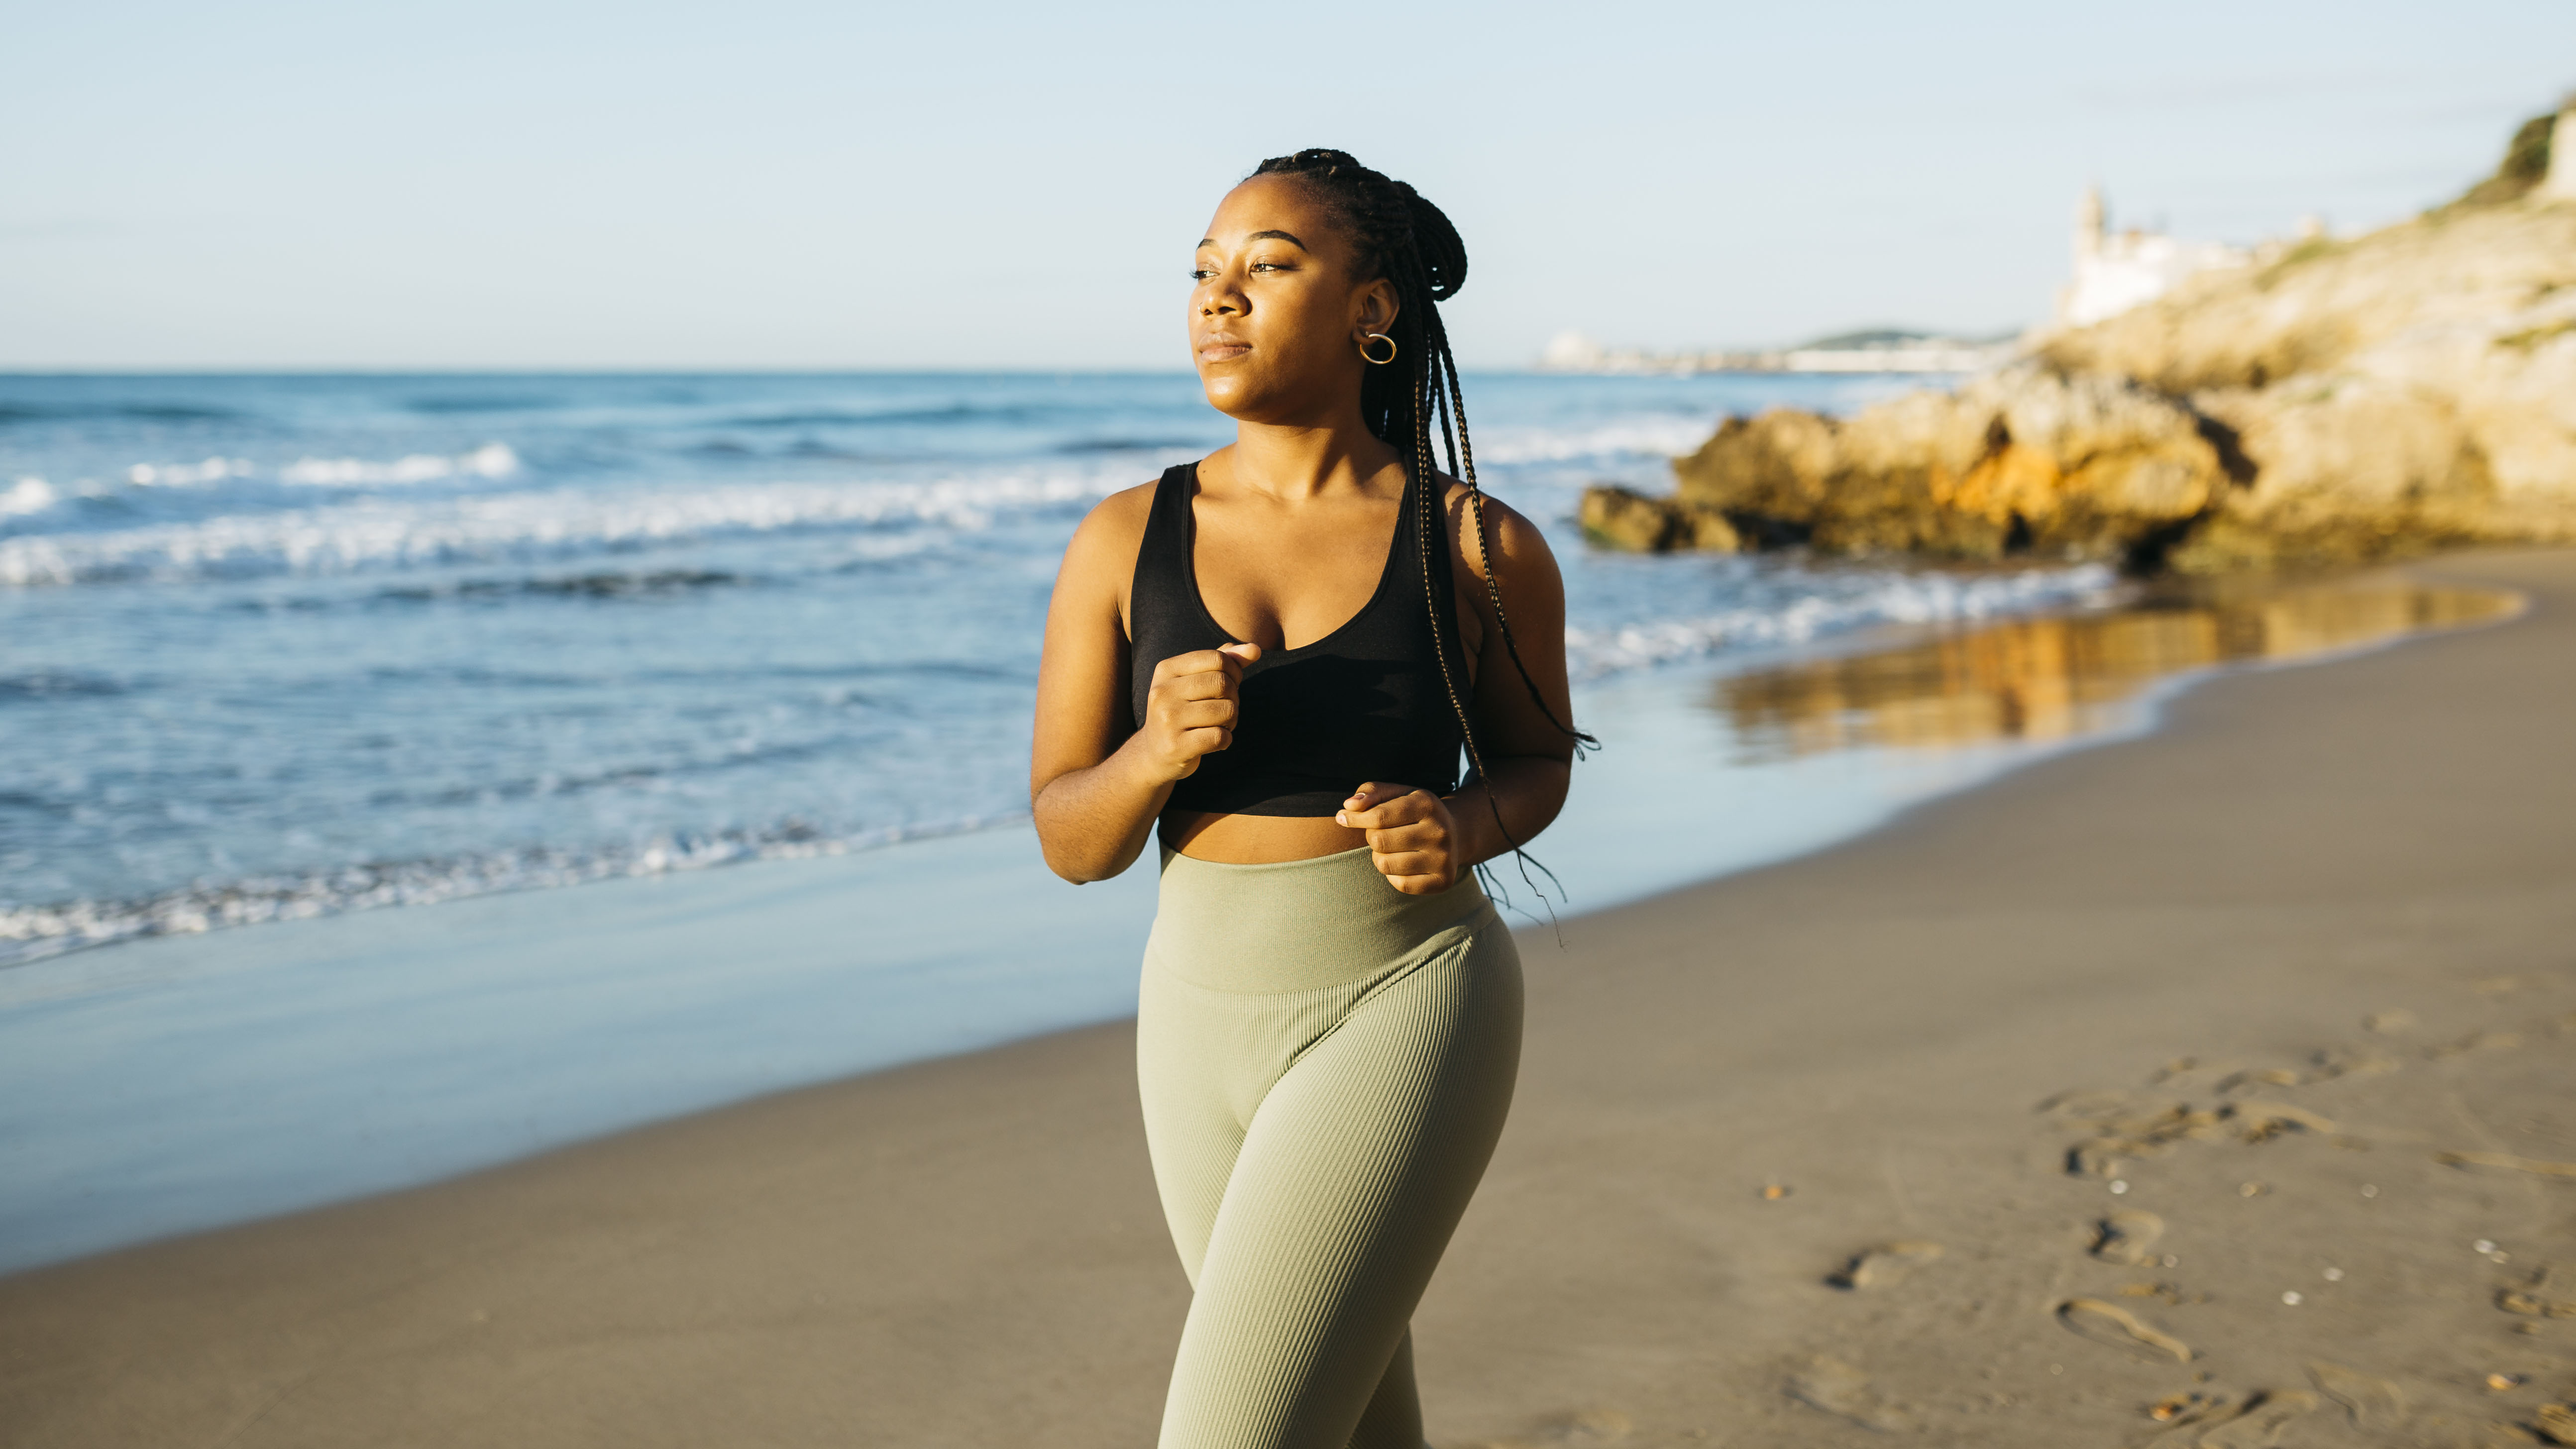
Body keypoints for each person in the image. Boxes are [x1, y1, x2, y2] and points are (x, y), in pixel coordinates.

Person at [1030, 148, 1586, 1449]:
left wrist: (1457, 825)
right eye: (1204, 271)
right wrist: (1153, 754)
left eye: (1267, 267)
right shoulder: (1123, 539)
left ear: (1371, 310)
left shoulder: (1477, 546)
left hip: (1405, 997)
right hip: (1193, 1022)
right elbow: (1071, 838)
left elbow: (1540, 763)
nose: (1218, 297)